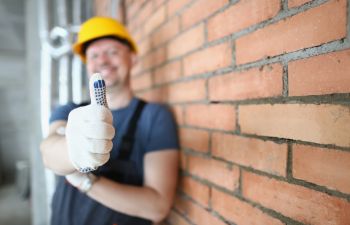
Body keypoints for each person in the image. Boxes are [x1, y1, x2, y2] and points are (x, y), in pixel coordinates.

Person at [40, 16, 179, 225]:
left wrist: (85, 181)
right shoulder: (69, 111)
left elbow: (157, 207)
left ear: (132, 58)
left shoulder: (154, 117)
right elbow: (48, 152)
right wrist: (72, 150)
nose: (103, 61)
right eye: (94, 55)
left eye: (112, 52)